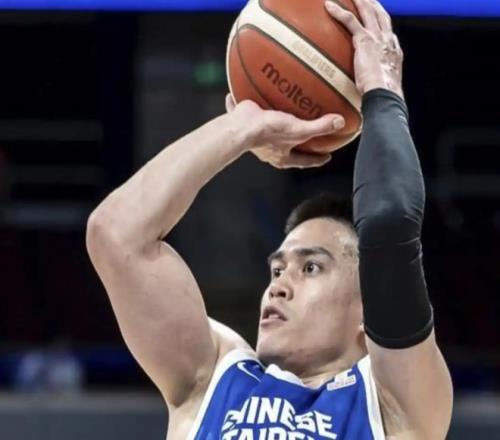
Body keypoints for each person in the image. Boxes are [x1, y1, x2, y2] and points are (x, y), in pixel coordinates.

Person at [86, 0, 453, 438]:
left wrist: (381, 90)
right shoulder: (214, 377)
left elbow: (389, 225)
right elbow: (117, 235)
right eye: (278, 269)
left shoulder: (394, 406)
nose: (278, 285)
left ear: (367, 310)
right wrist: (241, 128)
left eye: (311, 267)